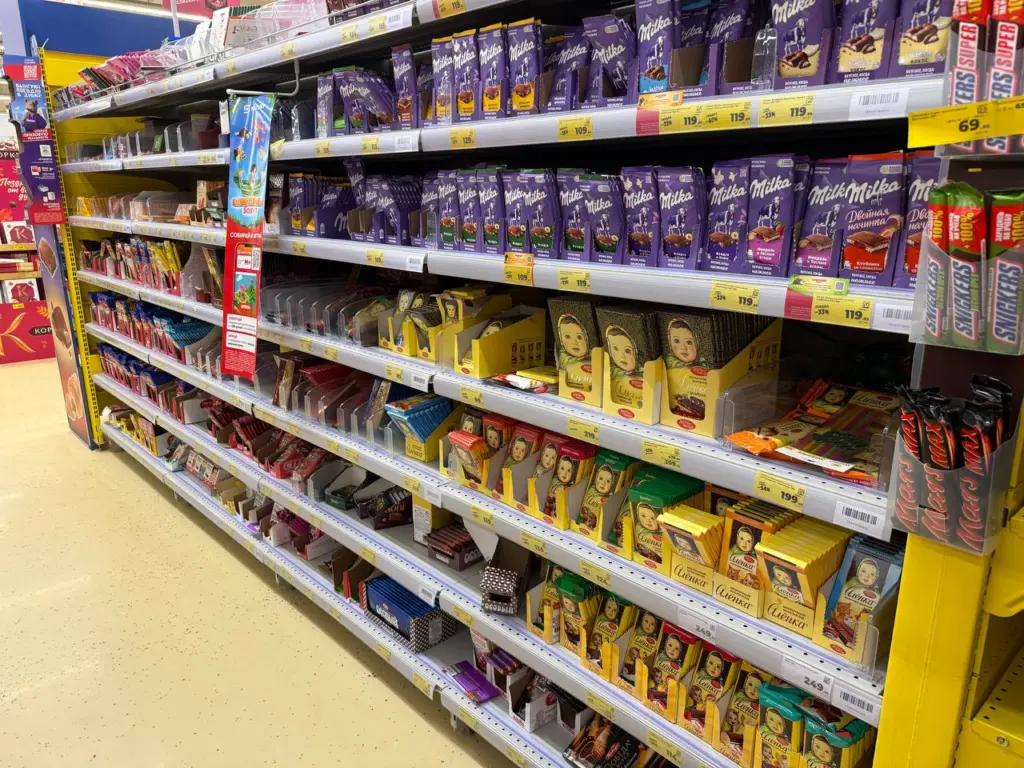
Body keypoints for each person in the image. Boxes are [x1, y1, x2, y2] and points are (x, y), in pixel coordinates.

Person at [557, 313, 593, 392]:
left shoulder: (594, 359)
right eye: (567, 336)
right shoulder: (563, 359)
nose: (574, 342)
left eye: (579, 337)